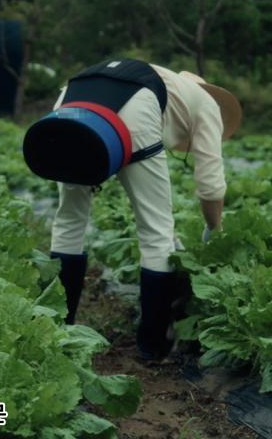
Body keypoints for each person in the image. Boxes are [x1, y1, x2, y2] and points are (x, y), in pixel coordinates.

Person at [23, 58, 242, 360]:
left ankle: (55, 330)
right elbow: (211, 186)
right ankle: (153, 346)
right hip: (136, 107)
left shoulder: (168, 84)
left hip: (71, 100)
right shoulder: (207, 103)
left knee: (69, 221)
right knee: (156, 232)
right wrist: (214, 228)